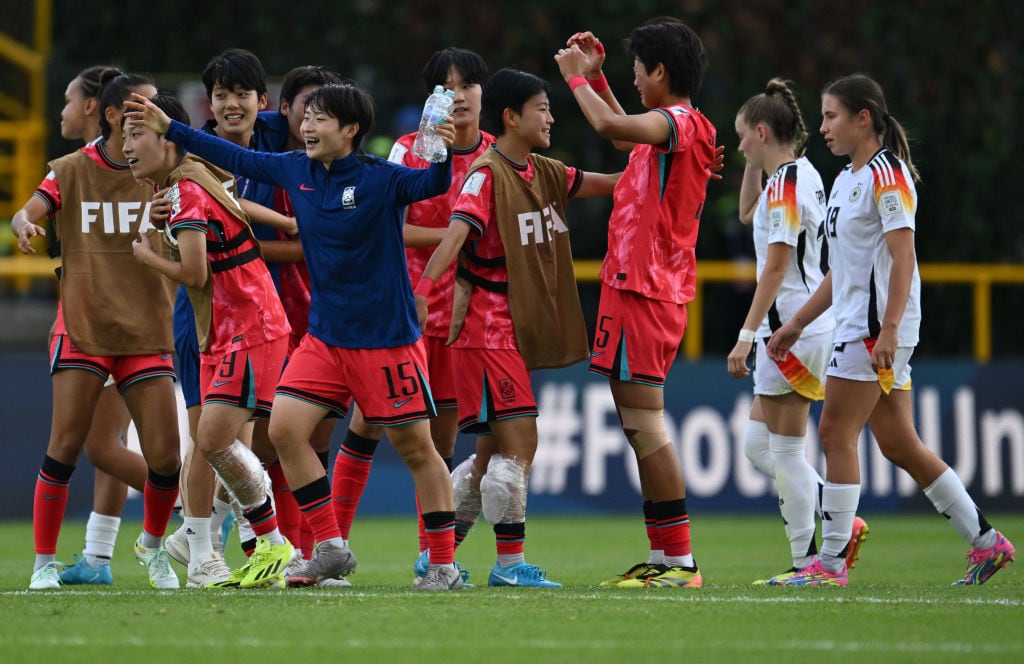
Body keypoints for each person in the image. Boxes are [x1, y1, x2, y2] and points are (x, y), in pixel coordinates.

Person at [126, 81, 464, 591]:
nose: (306, 126)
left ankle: (443, 564)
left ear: (350, 130)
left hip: (386, 339)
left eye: (320, 119)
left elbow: (432, 186)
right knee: (283, 430)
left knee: (417, 449)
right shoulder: (295, 170)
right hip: (325, 339)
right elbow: (231, 154)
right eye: (305, 118)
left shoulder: (381, 179)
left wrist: (446, 151)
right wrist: (169, 128)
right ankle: (329, 547)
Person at [766, 73, 1014, 586]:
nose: (823, 127)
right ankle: (987, 543)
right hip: (862, 326)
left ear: (863, 118)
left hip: (874, 330)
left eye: (832, 115)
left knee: (835, 431)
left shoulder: (887, 174)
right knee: (900, 444)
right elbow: (845, 271)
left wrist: (890, 329)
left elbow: (904, 257)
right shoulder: (845, 180)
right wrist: (795, 323)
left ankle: (829, 565)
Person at [415, 67, 619, 588]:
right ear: (511, 117)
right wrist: (420, 294)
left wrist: (667, 169)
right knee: (520, 443)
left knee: (487, 456)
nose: (550, 117)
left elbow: (606, 185)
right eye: (542, 108)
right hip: (485, 332)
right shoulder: (486, 175)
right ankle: (508, 564)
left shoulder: (542, 171)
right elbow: (454, 239)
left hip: (510, 332)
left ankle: (437, 555)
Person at [555, 18, 721, 589]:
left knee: (646, 423)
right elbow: (623, 135)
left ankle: (680, 561)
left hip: (645, 288)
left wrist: (577, 81)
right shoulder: (676, 129)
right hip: (639, 286)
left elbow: (607, 123)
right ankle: (665, 555)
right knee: (637, 423)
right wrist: (597, 77)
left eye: (635, 72)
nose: (631, 82)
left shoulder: (678, 121)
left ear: (660, 73)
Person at [328, 46, 494, 583]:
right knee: (366, 428)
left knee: (439, 447)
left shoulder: (496, 155)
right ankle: (333, 550)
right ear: (431, 100)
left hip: (462, 321)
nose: (458, 95)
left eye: (467, 84)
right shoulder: (407, 151)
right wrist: (457, 238)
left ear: (483, 94)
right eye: (445, 86)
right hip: (404, 315)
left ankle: (432, 559)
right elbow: (387, 225)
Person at [14, 72, 181, 591]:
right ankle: (45, 562)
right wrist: (23, 222)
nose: (159, 115)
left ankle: (152, 550)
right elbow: (30, 210)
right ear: (113, 116)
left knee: (166, 458)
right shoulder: (68, 170)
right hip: (83, 326)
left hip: (146, 329)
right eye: (146, 107)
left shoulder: (168, 171)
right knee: (65, 447)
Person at [126, 93, 294, 588]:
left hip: (248, 327)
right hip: (239, 326)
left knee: (214, 441)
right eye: (126, 138)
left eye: (138, 136)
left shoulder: (186, 192)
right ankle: (253, 541)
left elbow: (196, 275)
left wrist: (148, 256)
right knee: (220, 442)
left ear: (167, 138)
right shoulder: (196, 175)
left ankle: (266, 540)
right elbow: (231, 202)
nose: (129, 147)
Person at [728, 78, 869, 584]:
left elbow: (774, 265)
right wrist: (752, 162)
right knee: (756, 448)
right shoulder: (799, 174)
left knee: (784, 451)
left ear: (762, 131)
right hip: (799, 328)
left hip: (789, 329)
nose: (739, 144)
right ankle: (838, 521)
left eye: (744, 136)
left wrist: (747, 334)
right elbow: (748, 213)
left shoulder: (786, 186)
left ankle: (808, 562)